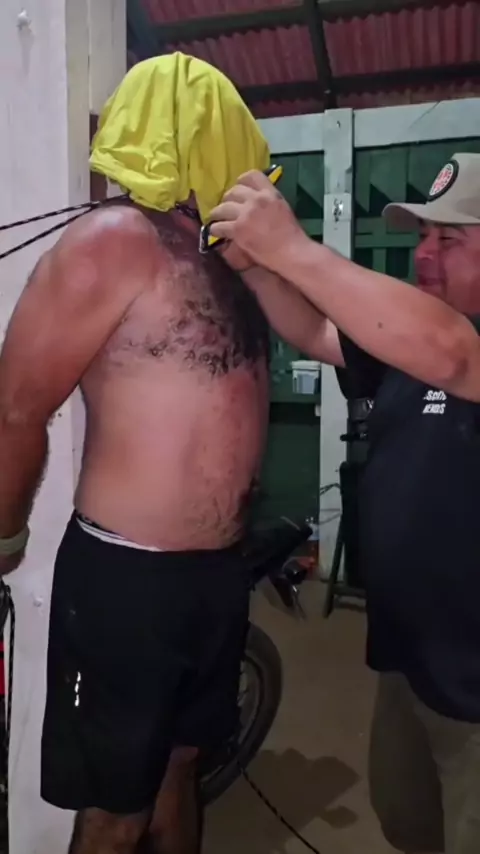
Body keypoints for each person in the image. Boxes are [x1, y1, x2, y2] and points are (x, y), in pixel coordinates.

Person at [0, 54, 273, 853]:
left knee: (181, 767)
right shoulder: (114, 238)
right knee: (114, 810)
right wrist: (6, 533)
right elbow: (16, 408)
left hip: (216, 576)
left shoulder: (225, 259)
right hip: (127, 586)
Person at [210, 154, 480, 854]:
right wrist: (257, 269)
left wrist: (293, 249)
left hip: (473, 678)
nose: (425, 252)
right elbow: (317, 334)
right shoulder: (410, 337)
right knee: (408, 820)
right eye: (423, 234)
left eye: (450, 239)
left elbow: (454, 356)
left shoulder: (450, 342)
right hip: (408, 656)